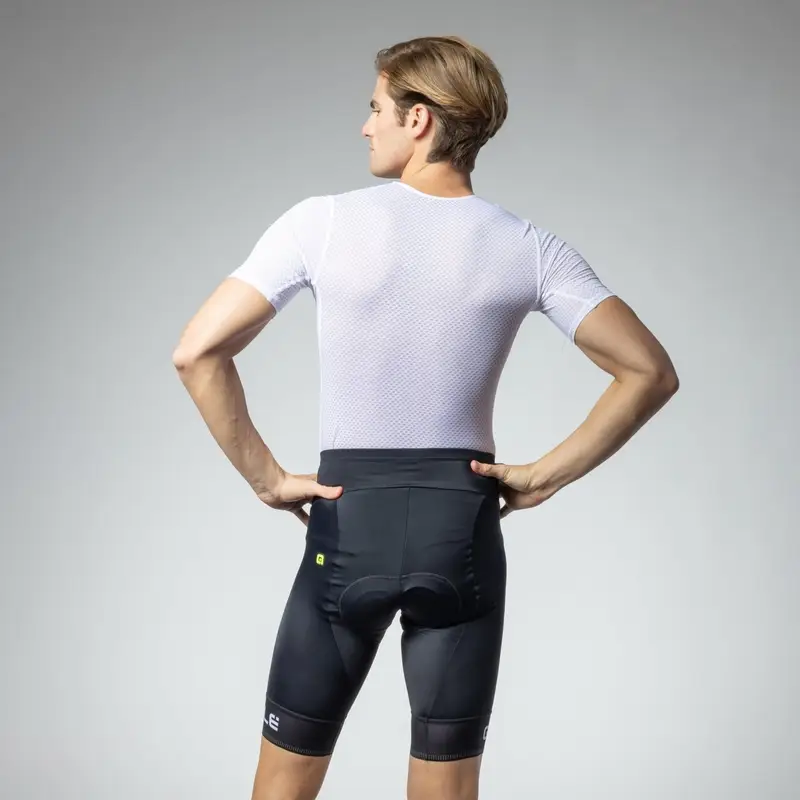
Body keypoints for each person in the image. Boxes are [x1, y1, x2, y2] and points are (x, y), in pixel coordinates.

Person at [172, 34, 679, 800]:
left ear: (419, 120)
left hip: (347, 525)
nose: (364, 125)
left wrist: (268, 479)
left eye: (375, 107)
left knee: (281, 788)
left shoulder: (322, 223)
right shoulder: (530, 248)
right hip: (462, 532)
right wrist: (544, 475)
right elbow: (649, 371)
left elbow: (197, 352)